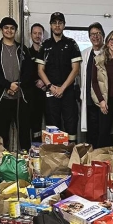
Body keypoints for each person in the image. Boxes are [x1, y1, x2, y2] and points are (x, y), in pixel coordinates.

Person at [0, 17, 34, 151]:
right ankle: (3, 163)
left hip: (21, 98)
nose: (9, 30)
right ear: (1, 30)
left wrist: (17, 85)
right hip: (2, 98)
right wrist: (8, 85)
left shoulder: (23, 48)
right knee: (2, 135)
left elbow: (29, 71)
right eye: (6, 28)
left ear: (15, 31)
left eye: (12, 28)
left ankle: (26, 162)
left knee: (24, 133)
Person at [36, 12, 82, 141]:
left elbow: (75, 69)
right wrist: (51, 87)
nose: (57, 25)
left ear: (64, 25)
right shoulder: (45, 45)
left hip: (68, 92)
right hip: (51, 91)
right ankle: (55, 157)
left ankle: (71, 154)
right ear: (50, 26)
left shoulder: (71, 44)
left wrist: (62, 89)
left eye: (60, 23)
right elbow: (40, 70)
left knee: (71, 124)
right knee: (52, 125)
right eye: (54, 23)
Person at [91, 30, 113, 150]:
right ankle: (100, 160)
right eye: (112, 40)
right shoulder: (98, 59)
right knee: (103, 132)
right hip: (105, 101)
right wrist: (101, 101)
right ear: (107, 42)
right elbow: (94, 82)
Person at [80, 23, 105, 145]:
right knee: (91, 133)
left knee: (104, 132)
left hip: (104, 100)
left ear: (103, 35)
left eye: (98, 33)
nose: (95, 37)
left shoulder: (108, 52)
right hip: (89, 101)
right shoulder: (85, 54)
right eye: (92, 34)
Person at [25, 23, 45, 143]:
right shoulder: (26, 52)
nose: (37, 36)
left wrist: (45, 82)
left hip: (46, 91)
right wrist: (35, 81)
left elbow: (52, 70)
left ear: (43, 35)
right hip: (31, 93)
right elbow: (24, 72)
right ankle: (33, 148)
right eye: (35, 33)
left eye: (40, 33)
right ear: (30, 35)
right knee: (33, 123)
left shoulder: (47, 51)